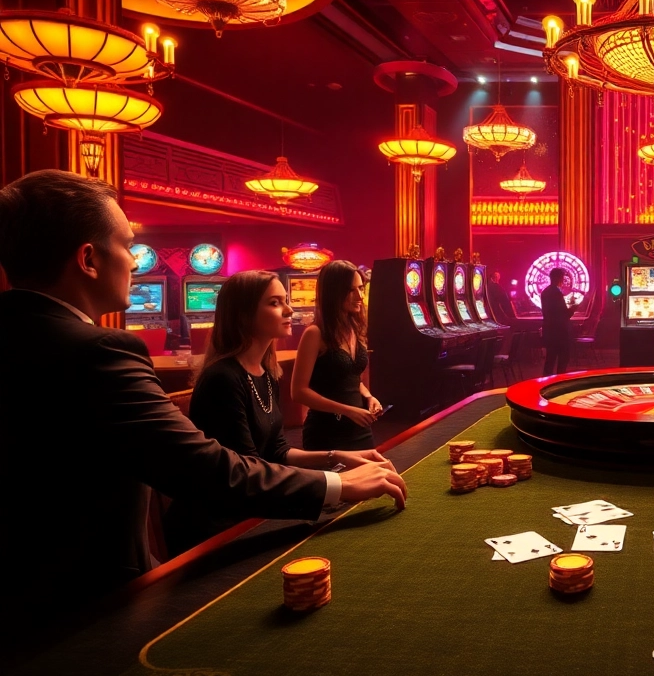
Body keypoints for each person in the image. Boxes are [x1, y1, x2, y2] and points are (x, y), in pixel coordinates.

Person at [0, 170, 407, 615]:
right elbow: (206, 469)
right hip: (77, 607)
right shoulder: (99, 351)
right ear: (88, 259)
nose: (137, 262)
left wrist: (334, 460)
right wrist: (337, 484)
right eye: (126, 245)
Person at [165, 270, 396, 555]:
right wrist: (338, 484)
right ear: (243, 315)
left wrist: (337, 457)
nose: (289, 309)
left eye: (286, 300)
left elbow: (277, 451)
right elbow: (248, 478)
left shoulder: (266, 371)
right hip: (218, 531)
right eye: (275, 303)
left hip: (254, 511)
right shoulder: (222, 378)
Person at [292, 261, 382, 451]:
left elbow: (350, 379)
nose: (359, 296)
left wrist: (368, 396)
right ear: (333, 293)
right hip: (326, 432)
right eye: (351, 290)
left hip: (359, 427)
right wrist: (346, 410)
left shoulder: (355, 329)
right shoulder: (315, 333)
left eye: (360, 288)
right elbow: (298, 391)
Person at [541, 267, 575, 376]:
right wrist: (574, 307)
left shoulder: (545, 292)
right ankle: (559, 382)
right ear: (559, 278)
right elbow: (565, 314)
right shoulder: (556, 293)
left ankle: (545, 383)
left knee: (550, 360)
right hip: (560, 332)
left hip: (549, 330)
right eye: (562, 278)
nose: (563, 280)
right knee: (563, 360)